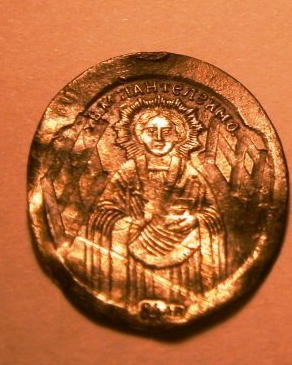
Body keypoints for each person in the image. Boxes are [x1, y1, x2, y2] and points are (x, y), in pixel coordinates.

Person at [78, 97, 227, 311]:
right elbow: (103, 212)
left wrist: (194, 220)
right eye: (151, 131)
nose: (159, 138)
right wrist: (131, 222)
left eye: (166, 131)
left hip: (184, 261)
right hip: (133, 260)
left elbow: (211, 213)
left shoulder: (189, 174)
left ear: (179, 136)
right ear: (139, 136)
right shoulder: (128, 172)